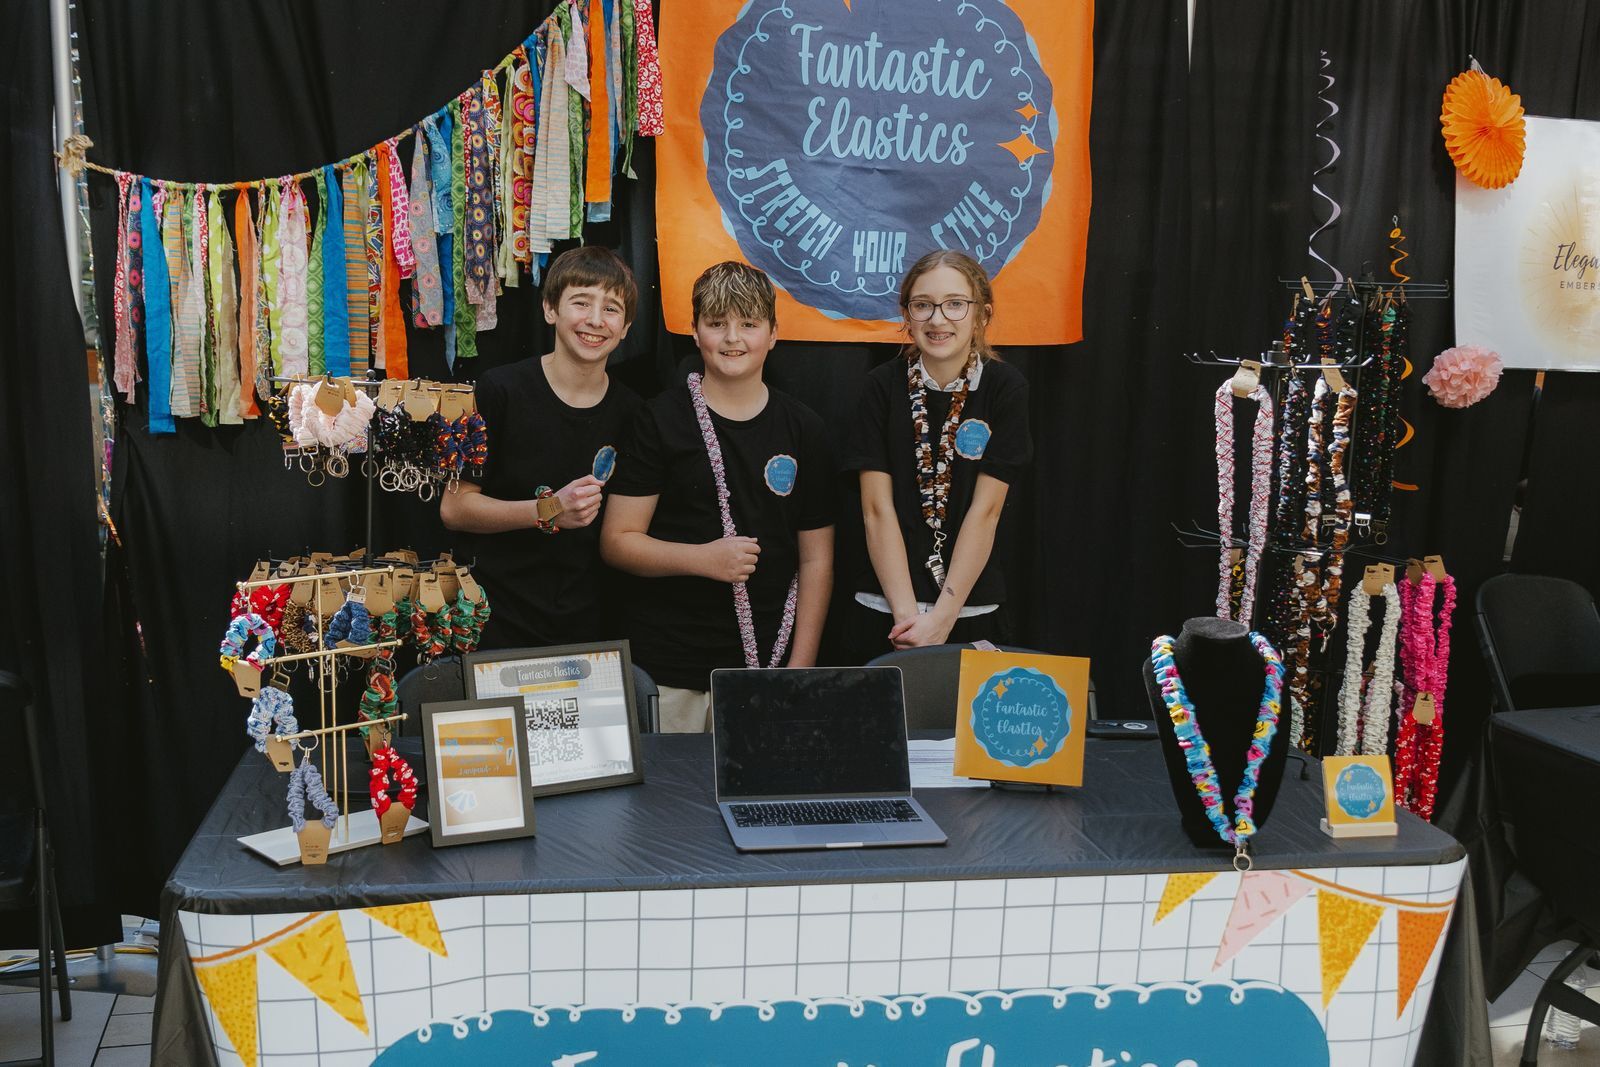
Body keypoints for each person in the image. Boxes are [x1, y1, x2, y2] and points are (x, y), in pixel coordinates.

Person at [601, 262, 835, 732]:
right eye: (716, 323)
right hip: (670, 669)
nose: (732, 338)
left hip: (766, 664)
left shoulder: (804, 427)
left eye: (748, 324)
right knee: (670, 780)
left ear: (773, 333)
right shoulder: (658, 420)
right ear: (694, 332)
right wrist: (703, 559)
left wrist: (799, 668)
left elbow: (816, 560)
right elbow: (618, 542)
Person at [440, 246, 642, 649]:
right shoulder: (501, 390)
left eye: (611, 309)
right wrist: (549, 510)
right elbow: (455, 508)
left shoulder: (634, 413)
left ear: (626, 327)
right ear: (550, 309)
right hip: (497, 616)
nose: (595, 320)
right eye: (581, 302)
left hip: (589, 624)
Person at [841, 249, 1032, 658]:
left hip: (968, 611)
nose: (938, 319)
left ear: (982, 315)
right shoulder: (881, 387)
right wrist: (907, 619)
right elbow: (876, 509)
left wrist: (943, 618)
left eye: (955, 304)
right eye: (923, 305)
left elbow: (986, 512)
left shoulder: (1004, 388)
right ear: (906, 315)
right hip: (886, 609)